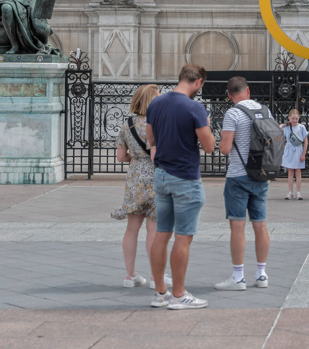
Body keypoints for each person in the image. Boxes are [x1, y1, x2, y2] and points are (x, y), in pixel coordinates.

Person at [146, 64, 216, 310]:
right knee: (183, 238)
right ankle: (178, 295)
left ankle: (160, 293)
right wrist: (207, 126)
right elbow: (209, 147)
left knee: (161, 234)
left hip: (161, 175)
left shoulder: (156, 103)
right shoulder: (195, 107)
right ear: (198, 81)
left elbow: (151, 139)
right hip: (185, 177)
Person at [214, 76, 274, 292]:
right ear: (248, 90)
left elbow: (225, 149)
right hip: (262, 174)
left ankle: (238, 278)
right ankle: (261, 274)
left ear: (230, 96)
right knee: (260, 225)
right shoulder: (266, 111)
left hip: (238, 176)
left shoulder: (233, 113)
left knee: (237, 226)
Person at [112, 84, 173, 290]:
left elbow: (121, 157)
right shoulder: (159, 123)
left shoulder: (126, 125)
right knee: (153, 230)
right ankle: (156, 276)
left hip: (135, 177)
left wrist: (135, 157)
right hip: (156, 175)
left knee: (132, 229)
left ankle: (130, 276)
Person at [281, 109, 308, 200]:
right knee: (290, 172)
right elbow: (278, 128)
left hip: (298, 150)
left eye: (296, 118)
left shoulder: (301, 127)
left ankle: (298, 192)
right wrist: (286, 124)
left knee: (298, 172)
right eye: (292, 118)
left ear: (299, 118)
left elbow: (306, 141)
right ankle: (290, 192)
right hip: (289, 150)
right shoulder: (287, 127)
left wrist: (304, 153)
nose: (294, 120)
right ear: (289, 118)